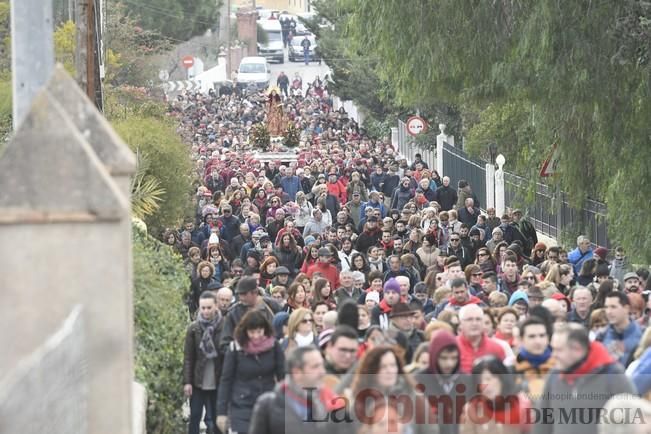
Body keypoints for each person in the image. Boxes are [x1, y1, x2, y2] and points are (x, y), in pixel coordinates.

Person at [533, 323, 635, 434]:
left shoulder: (613, 375)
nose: (553, 355)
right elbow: (542, 424)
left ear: (577, 349)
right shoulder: (554, 375)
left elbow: (634, 422)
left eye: (559, 350)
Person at [216, 310, 284, 434]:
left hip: (268, 402)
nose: (256, 336)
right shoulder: (235, 349)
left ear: (265, 329)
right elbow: (226, 380)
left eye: (259, 331)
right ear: (245, 332)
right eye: (252, 332)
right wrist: (221, 412)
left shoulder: (274, 346)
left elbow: (283, 376)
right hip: (241, 405)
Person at [248, 346, 341, 434]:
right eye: (315, 367)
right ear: (297, 372)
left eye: (322, 366)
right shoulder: (268, 404)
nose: (323, 372)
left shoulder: (327, 403)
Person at [183, 292, 223, 434]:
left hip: (218, 379)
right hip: (198, 379)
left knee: (218, 418)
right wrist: (187, 382)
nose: (206, 311)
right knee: (195, 416)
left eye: (209, 307)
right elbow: (188, 357)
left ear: (216, 307)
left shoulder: (223, 327)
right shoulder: (194, 328)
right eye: (203, 308)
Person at [460, 356, 531, 434]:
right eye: (479, 380)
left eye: (488, 379)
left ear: (501, 378)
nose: (484, 385)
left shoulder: (522, 404)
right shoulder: (473, 409)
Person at [219, 276, 280, 352]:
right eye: (239, 294)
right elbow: (225, 343)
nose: (241, 298)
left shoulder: (272, 306)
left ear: (255, 292)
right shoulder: (233, 313)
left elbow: (280, 335)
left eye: (244, 294)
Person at [457, 304, 506, 373]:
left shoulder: (496, 348)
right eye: (469, 319)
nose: (474, 323)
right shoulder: (452, 346)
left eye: (478, 319)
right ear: (461, 323)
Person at [513, 316, 554, 398]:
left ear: (548, 338)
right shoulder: (512, 371)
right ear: (521, 339)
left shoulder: (561, 369)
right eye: (532, 336)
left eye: (542, 335)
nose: (538, 341)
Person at [598, 291, 642, 367]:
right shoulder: (601, 336)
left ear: (626, 308)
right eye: (606, 307)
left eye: (613, 307)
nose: (608, 312)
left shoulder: (643, 335)